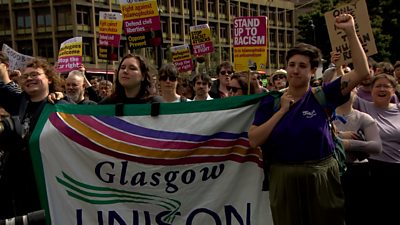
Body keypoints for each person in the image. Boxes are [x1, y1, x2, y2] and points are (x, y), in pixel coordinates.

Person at [248, 14, 369, 225]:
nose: (295, 70)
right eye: (292, 64)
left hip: (321, 176)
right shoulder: (271, 101)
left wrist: (350, 32)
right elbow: (254, 140)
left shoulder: (324, 94)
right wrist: (281, 111)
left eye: (302, 66)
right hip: (283, 178)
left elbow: (361, 72)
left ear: (313, 71)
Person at [0, 57, 64, 219]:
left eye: (35, 74)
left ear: (49, 79)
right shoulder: (19, 102)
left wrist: (62, 97)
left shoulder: (59, 105)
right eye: (26, 76)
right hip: (16, 181)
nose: (29, 78)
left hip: (45, 180)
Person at [353, 73, 400, 225]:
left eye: (386, 86)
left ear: (393, 90)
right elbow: (343, 89)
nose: (381, 89)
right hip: (372, 169)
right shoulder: (363, 106)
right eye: (377, 86)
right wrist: (339, 68)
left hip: (396, 169)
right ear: (370, 90)